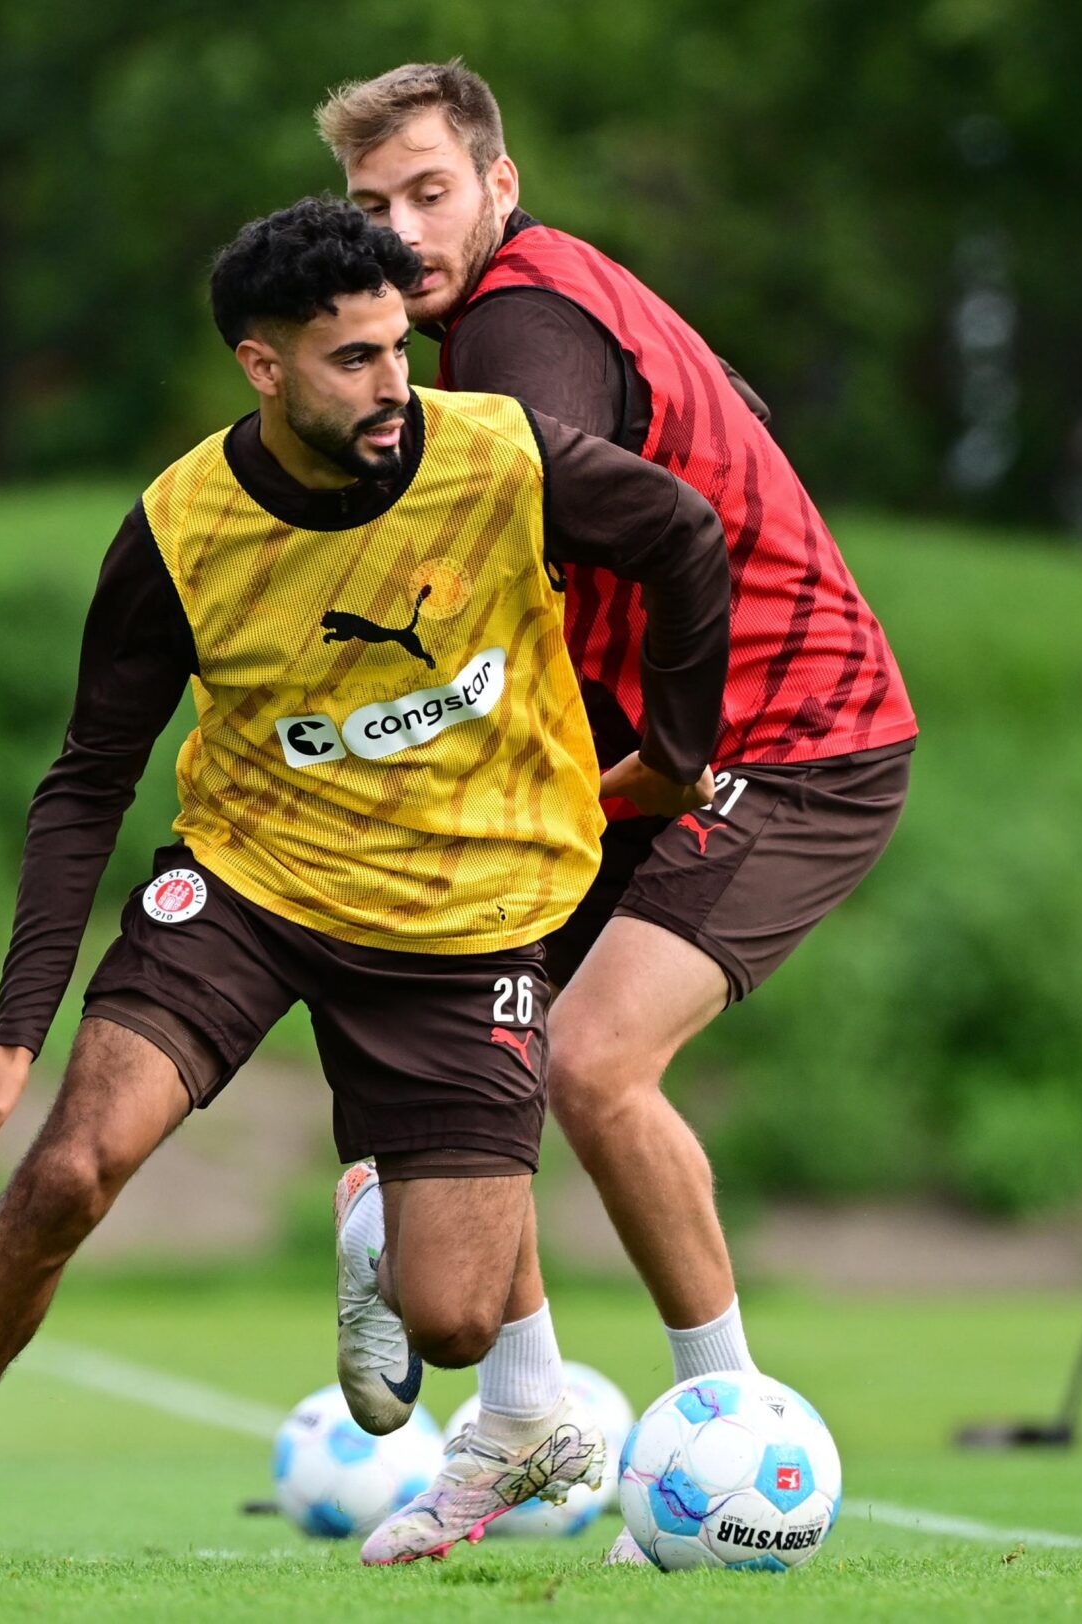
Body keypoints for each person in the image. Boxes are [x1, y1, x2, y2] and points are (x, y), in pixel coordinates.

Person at [0, 196, 729, 1571]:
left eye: (401, 349)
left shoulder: (503, 460)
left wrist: (672, 755)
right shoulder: (181, 530)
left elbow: (687, 537)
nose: (393, 389)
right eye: (352, 359)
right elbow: (86, 781)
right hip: (250, 889)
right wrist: (12, 1040)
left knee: (455, 1328)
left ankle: (416, 1259)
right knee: (66, 1171)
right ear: (263, 365)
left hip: (468, 920)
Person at [314, 60, 919, 1563]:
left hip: (789, 739)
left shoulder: (521, 323)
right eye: (369, 208)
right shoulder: (528, 313)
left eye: (429, 193)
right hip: (644, 740)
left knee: (587, 1060)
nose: (399, 231)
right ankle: (521, 1410)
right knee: (473, 1038)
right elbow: (715, 425)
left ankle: (733, 1433)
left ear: (501, 188)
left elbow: (560, 507)